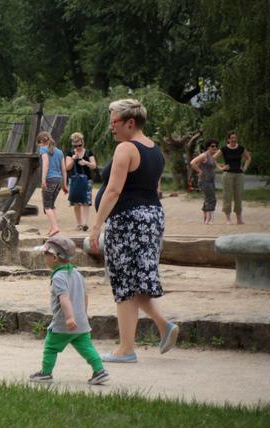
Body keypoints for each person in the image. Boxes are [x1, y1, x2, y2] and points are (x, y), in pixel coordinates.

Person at [90, 99, 178, 363]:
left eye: (114, 122)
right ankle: (162, 326)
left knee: (124, 283)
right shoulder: (154, 149)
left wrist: (96, 226)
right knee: (135, 281)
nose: (111, 127)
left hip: (128, 221)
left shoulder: (126, 148)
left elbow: (113, 191)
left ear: (130, 122)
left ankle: (127, 349)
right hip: (151, 217)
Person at [28, 235, 109, 385]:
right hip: (81, 322)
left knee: (51, 347)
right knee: (87, 348)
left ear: (54, 258)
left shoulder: (58, 277)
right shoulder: (78, 274)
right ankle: (100, 371)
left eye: (45, 254)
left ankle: (46, 373)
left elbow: (64, 298)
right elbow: (85, 296)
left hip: (64, 323)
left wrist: (69, 318)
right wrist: (83, 314)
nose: (44, 257)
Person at [216, 131, 252, 225]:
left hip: (239, 175)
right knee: (227, 196)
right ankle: (228, 219)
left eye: (235, 137)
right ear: (228, 139)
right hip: (228, 174)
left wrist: (245, 168)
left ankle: (239, 219)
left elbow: (248, 158)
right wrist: (221, 168)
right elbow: (213, 158)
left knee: (238, 196)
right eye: (232, 138)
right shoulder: (224, 149)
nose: (234, 139)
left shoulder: (241, 148)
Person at [64, 132, 96, 231]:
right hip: (75, 180)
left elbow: (94, 165)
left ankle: (85, 223)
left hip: (87, 180)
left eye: (79, 145)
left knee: (86, 202)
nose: (77, 147)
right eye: (75, 145)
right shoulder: (70, 153)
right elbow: (67, 167)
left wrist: (86, 162)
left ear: (83, 142)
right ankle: (79, 224)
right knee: (76, 202)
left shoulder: (88, 152)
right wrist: (73, 160)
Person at [38, 132, 68, 237]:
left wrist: (43, 180)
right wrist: (65, 185)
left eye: (38, 143)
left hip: (49, 180)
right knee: (51, 205)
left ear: (41, 141)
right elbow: (64, 170)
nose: (38, 145)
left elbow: (45, 165)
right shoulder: (59, 152)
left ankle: (55, 227)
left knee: (47, 206)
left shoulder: (43, 149)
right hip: (58, 181)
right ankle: (52, 227)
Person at [190, 140, 220, 225]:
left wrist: (222, 167)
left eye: (216, 146)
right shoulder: (204, 155)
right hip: (204, 181)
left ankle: (206, 219)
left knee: (207, 198)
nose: (214, 147)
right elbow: (192, 163)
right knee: (212, 199)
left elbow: (214, 166)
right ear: (208, 147)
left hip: (211, 181)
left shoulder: (212, 156)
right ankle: (209, 220)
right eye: (212, 146)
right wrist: (199, 171)